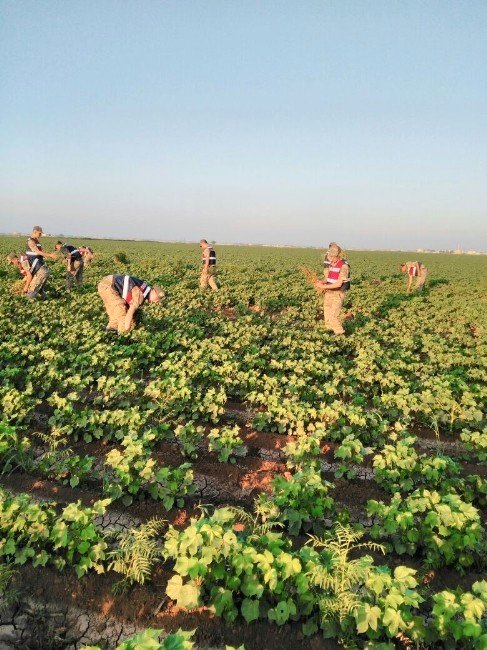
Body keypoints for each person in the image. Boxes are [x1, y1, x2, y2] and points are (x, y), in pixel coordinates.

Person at [97, 274, 164, 333]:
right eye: (157, 299)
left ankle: (110, 335)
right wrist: (126, 331)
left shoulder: (144, 288)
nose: (156, 302)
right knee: (122, 315)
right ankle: (123, 339)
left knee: (115, 317)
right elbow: (130, 312)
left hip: (107, 283)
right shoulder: (139, 294)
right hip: (110, 286)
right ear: (154, 292)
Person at [314, 242, 351, 335]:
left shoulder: (343, 266)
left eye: (331, 258)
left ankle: (340, 334)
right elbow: (327, 278)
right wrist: (321, 282)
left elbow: (339, 284)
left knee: (333, 316)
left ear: (336, 256)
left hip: (337, 294)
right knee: (327, 314)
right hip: (329, 293)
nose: (329, 260)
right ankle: (330, 332)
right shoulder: (331, 264)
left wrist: (323, 286)